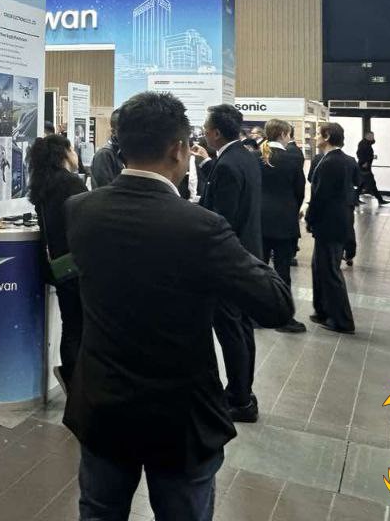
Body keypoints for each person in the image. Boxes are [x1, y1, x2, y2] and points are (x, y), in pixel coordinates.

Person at [61, 92, 292, 521]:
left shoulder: (80, 210)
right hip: (179, 417)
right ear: (178, 149)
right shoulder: (201, 228)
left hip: (102, 404)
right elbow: (277, 305)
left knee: (98, 511)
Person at [194, 103, 263, 423]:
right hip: (246, 253)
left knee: (231, 329)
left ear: (217, 133)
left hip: (228, 262)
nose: (204, 134)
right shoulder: (245, 157)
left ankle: (239, 398)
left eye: (206, 129)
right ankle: (242, 390)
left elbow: (222, 221)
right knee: (241, 327)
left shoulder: (228, 165)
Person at [27, 134, 88, 387]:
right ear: (63, 153)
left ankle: (72, 381)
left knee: (70, 324)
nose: (76, 154)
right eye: (72, 149)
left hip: (59, 266)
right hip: (78, 263)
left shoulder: (42, 185)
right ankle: (78, 382)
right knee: (82, 327)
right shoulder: (71, 183)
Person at [305, 122, 357, 333]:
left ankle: (342, 320)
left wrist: (310, 218)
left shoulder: (330, 162)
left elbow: (320, 196)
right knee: (320, 268)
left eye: (318, 134)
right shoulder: (342, 160)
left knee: (329, 272)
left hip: (330, 224)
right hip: (336, 222)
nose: (315, 137)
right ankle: (324, 311)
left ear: (326, 136)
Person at [258, 120, 306, 333]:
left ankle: (256, 315)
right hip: (284, 221)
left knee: (258, 268)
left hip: (259, 221)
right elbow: (299, 190)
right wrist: (293, 209)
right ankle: (283, 318)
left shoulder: (256, 157)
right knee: (282, 270)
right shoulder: (292, 159)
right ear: (284, 134)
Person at [90, 109, 123, 188]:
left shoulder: (127, 152)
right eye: (125, 129)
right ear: (114, 132)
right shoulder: (104, 155)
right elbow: (105, 189)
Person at [356, 131, 387, 206]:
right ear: (366, 136)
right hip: (364, 167)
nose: (372, 138)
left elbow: (367, 153)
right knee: (372, 184)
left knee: (361, 184)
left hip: (365, 167)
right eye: (371, 136)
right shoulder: (363, 144)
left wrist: (371, 157)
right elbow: (359, 153)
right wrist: (364, 162)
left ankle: (355, 199)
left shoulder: (367, 143)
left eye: (373, 136)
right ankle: (380, 200)